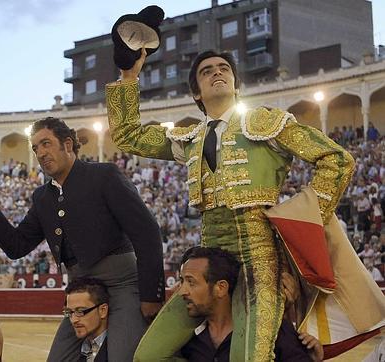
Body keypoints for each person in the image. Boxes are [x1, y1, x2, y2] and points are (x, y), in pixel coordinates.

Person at [106, 49, 354, 361]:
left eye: (224, 68)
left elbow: (337, 159)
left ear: (235, 84)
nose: (217, 72)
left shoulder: (265, 124)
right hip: (207, 265)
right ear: (197, 91)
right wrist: (129, 76)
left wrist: (302, 223)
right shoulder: (190, 139)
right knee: (147, 356)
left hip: (261, 262)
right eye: (206, 71)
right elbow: (128, 137)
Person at [0, 117, 165, 361]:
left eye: (46, 144)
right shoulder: (43, 197)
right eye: (35, 148)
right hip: (80, 292)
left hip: (122, 284)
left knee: (123, 357)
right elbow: (17, 245)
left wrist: (152, 295)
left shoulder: (104, 175)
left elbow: (147, 232)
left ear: (67, 144)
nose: (41, 153)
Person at [177, 246, 323, 361]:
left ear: (221, 288)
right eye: (182, 281)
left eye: (191, 282)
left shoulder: (272, 331)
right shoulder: (188, 341)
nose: (182, 291)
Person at [63, 277, 109, 362]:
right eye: (69, 312)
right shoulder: (79, 349)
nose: (73, 320)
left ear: (103, 310)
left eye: (80, 311)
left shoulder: (120, 349)